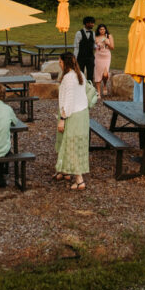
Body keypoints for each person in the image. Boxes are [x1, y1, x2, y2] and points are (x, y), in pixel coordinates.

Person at [55, 52, 89, 191]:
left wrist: (63, 118)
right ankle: (65, 171)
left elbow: (68, 101)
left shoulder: (69, 78)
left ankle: (79, 179)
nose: (59, 64)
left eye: (60, 62)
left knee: (72, 145)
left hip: (73, 115)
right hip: (82, 114)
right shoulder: (79, 74)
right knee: (74, 144)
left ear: (65, 63)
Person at [93, 23, 115, 98]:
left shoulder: (109, 36)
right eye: (100, 29)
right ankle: (98, 92)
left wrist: (107, 43)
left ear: (105, 30)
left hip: (106, 56)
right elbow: (94, 47)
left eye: (103, 29)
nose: (102, 31)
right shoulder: (96, 37)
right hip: (98, 55)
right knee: (98, 73)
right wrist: (97, 46)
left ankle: (105, 84)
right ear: (98, 30)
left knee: (105, 74)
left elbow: (112, 47)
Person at [74, 16, 96, 83]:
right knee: (80, 74)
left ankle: (90, 89)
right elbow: (76, 46)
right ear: (86, 23)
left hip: (90, 57)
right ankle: (80, 88)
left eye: (93, 23)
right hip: (81, 57)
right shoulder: (79, 33)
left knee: (90, 75)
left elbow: (94, 44)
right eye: (91, 23)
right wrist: (75, 57)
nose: (92, 24)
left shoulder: (93, 33)